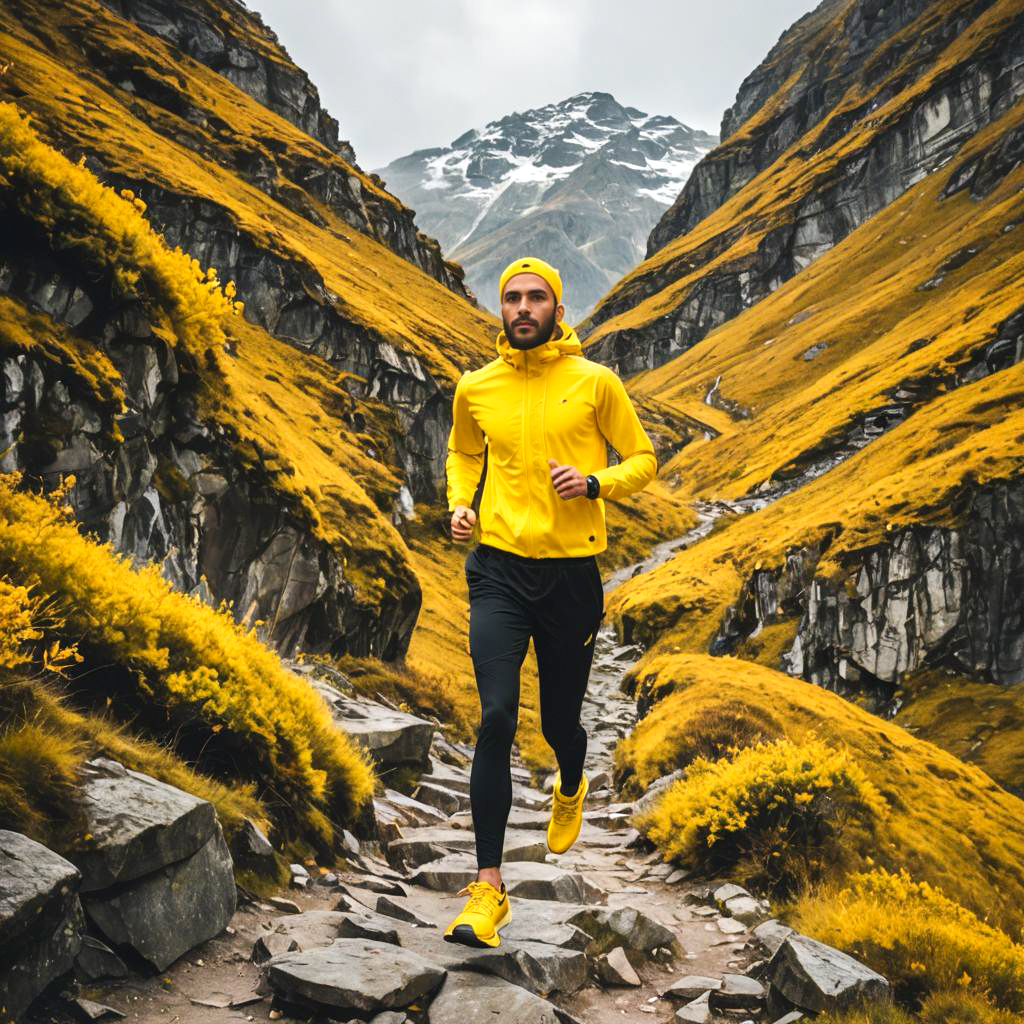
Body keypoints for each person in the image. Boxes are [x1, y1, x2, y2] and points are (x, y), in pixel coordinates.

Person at [442, 256, 657, 948]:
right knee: (497, 716)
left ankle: (571, 778)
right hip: (497, 571)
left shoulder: (596, 383)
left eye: (538, 298)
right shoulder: (476, 387)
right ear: (500, 310)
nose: (524, 307)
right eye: (513, 298)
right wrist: (460, 505)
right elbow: (464, 454)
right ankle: (487, 890)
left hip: (571, 579)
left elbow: (643, 458)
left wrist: (596, 484)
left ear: (558, 310)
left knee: (560, 723)